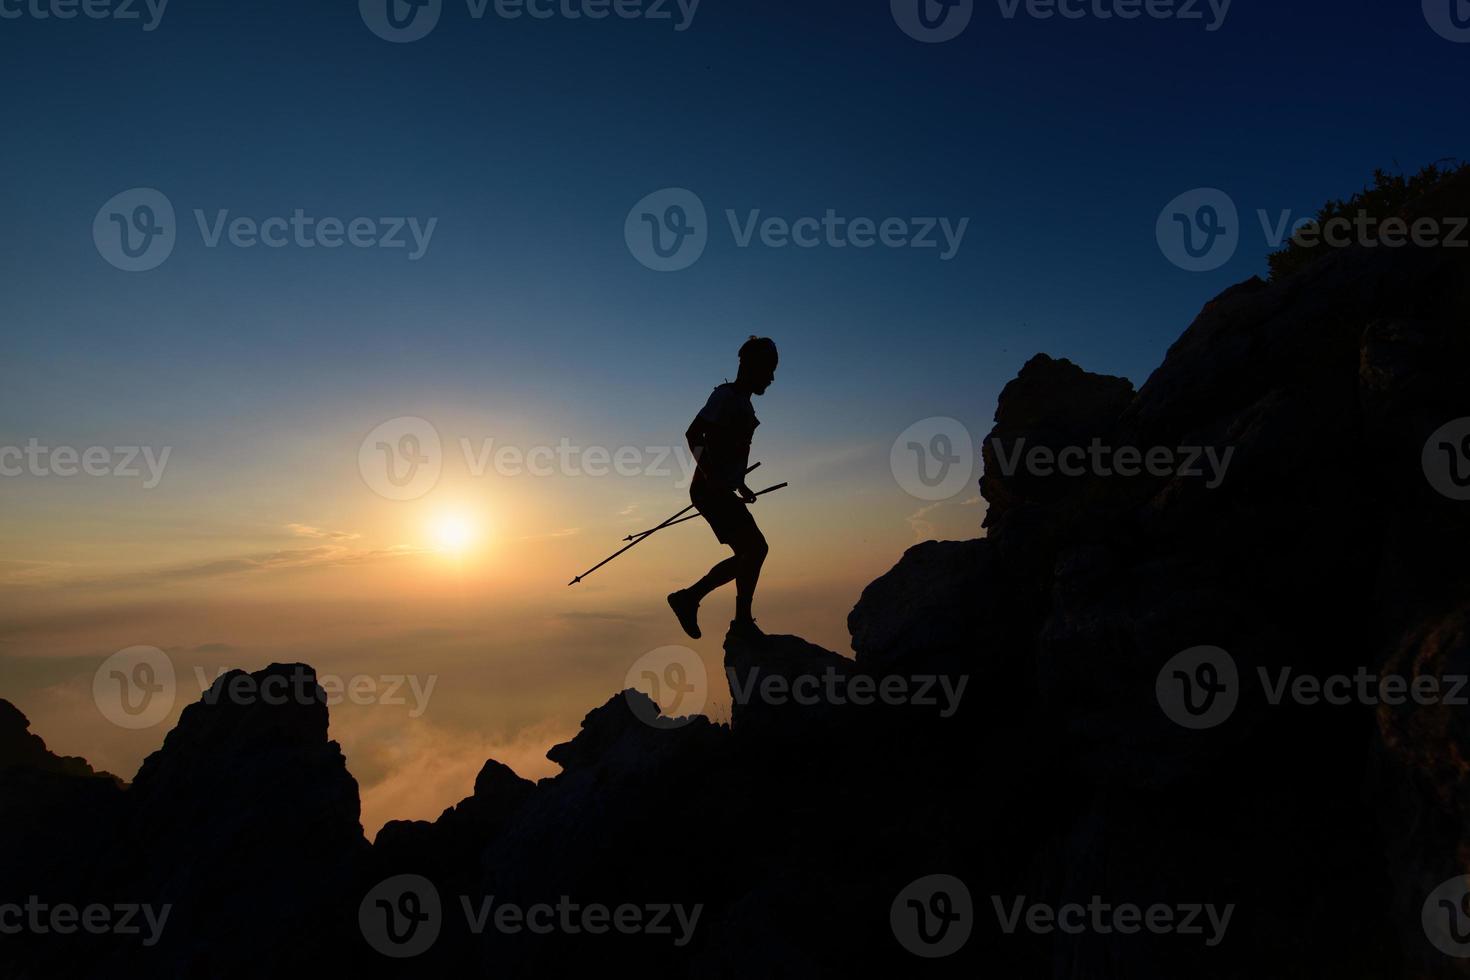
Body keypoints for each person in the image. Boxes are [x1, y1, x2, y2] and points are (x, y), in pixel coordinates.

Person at [668, 337, 777, 641]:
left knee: (751, 551)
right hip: (707, 490)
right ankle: (729, 614)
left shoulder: (741, 400)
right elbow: (693, 434)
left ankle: (693, 599)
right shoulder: (726, 397)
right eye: (768, 370)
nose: (771, 378)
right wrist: (710, 475)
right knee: (754, 549)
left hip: (717, 489)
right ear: (751, 367)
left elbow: (725, 450)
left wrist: (740, 483)